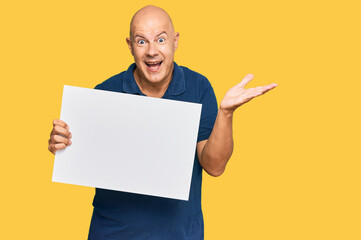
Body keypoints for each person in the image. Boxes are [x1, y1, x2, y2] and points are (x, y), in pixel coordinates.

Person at [48, 5, 277, 239]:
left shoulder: (199, 87)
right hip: (112, 233)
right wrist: (63, 144)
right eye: (141, 42)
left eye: (160, 39)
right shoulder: (105, 92)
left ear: (175, 41)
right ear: (130, 46)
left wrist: (226, 113)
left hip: (179, 235)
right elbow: (87, 159)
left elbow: (214, 166)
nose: (151, 51)